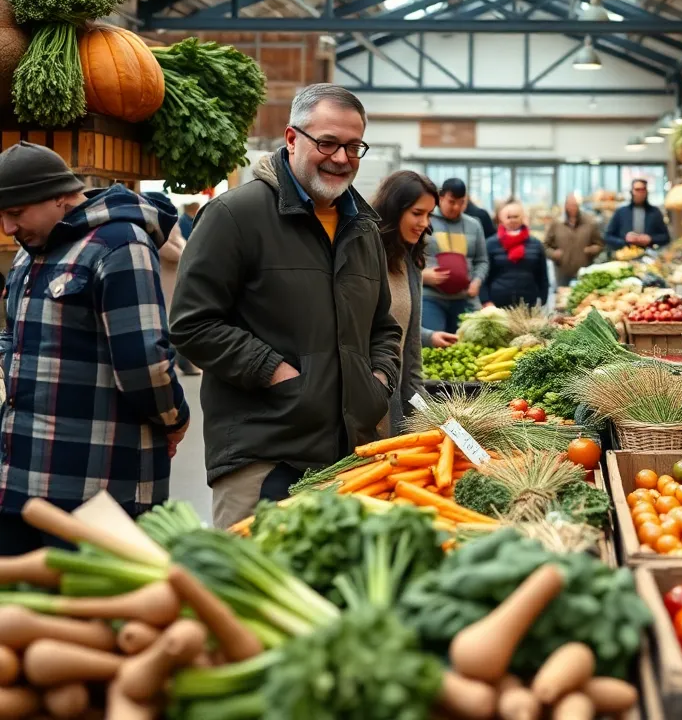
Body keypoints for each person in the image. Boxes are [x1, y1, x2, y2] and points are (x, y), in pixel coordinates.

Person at [170, 84, 402, 529]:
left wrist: (377, 380)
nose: (341, 158)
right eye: (327, 142)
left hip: (349, 455)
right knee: (248, 588)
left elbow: (382, 326)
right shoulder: (235, 216)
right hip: (264, 452)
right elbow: (193, 324)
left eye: (354, 146)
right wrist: (278, 374)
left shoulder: (364, 228)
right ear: (292, 139)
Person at [0, 142, 189, 552]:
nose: (8, 229)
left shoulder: (120, 244)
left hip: (95, 488)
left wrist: (175, 418)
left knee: (93, 607)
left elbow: (145, 363)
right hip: (20, 483)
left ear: (59, 196)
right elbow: (11, 335)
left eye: (15, 214)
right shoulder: (30, 251)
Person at [371, 171, 459, 433]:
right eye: (417, 213)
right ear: (394, 209)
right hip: (370, 394)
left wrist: (424, 412)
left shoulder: (411, 259)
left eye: (429, 215)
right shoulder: (367, 256)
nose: (424, 223)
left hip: (400, 391)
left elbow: (407, 338)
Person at [422, 178, 489, 332]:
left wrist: (477, 281)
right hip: (431, 297)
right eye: (452, 202)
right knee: (434, 345)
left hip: (465, 298)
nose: (457, 207)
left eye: (461, 202)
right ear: (441, 198)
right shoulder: (425, 221)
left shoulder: (474, 224)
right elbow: (407, 258)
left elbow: (482, 260)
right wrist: (423, 275)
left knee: (467, 346)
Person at [147, 192, 200, 377]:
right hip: (165, 280)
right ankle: (176, 362)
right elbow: (170, 250)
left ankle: (179, 361)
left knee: (171, 320)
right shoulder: (156, 227)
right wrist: (182, 248)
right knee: (167, 321)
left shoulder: (169, 224)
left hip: (171, 280)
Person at [485, 201, 549, 308]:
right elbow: (484, 276)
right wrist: (485, 300)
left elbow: (542, 275)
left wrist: (542, 299)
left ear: (522, 217)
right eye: (508, 217)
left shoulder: (536, 245)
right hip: (497, 306)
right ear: (501, 218)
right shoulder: (491, 244)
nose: (512, 220)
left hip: (529, 304)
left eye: (515, 216)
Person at [543, 193, 604, 287]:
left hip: (584, 271)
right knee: (562, 298)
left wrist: (591, 250)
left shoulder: (590, 223)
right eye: (570, 205)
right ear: (565, 206)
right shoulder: (557, 223)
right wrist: (553, 254)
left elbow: (600, 245)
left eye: (575, 205)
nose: (572, 208)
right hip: (562, 272)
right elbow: (545, 246)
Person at [604, 179, 670, 250]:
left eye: (643, 189)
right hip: (625, 254)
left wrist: (650, 239)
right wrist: (625, 241)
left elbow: (665, 237)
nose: (640, 193)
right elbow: (607, 236)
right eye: (637, 189)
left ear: (646, 192)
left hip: (649, 254)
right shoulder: (621, 212)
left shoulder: (654, 212)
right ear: (631, 191)